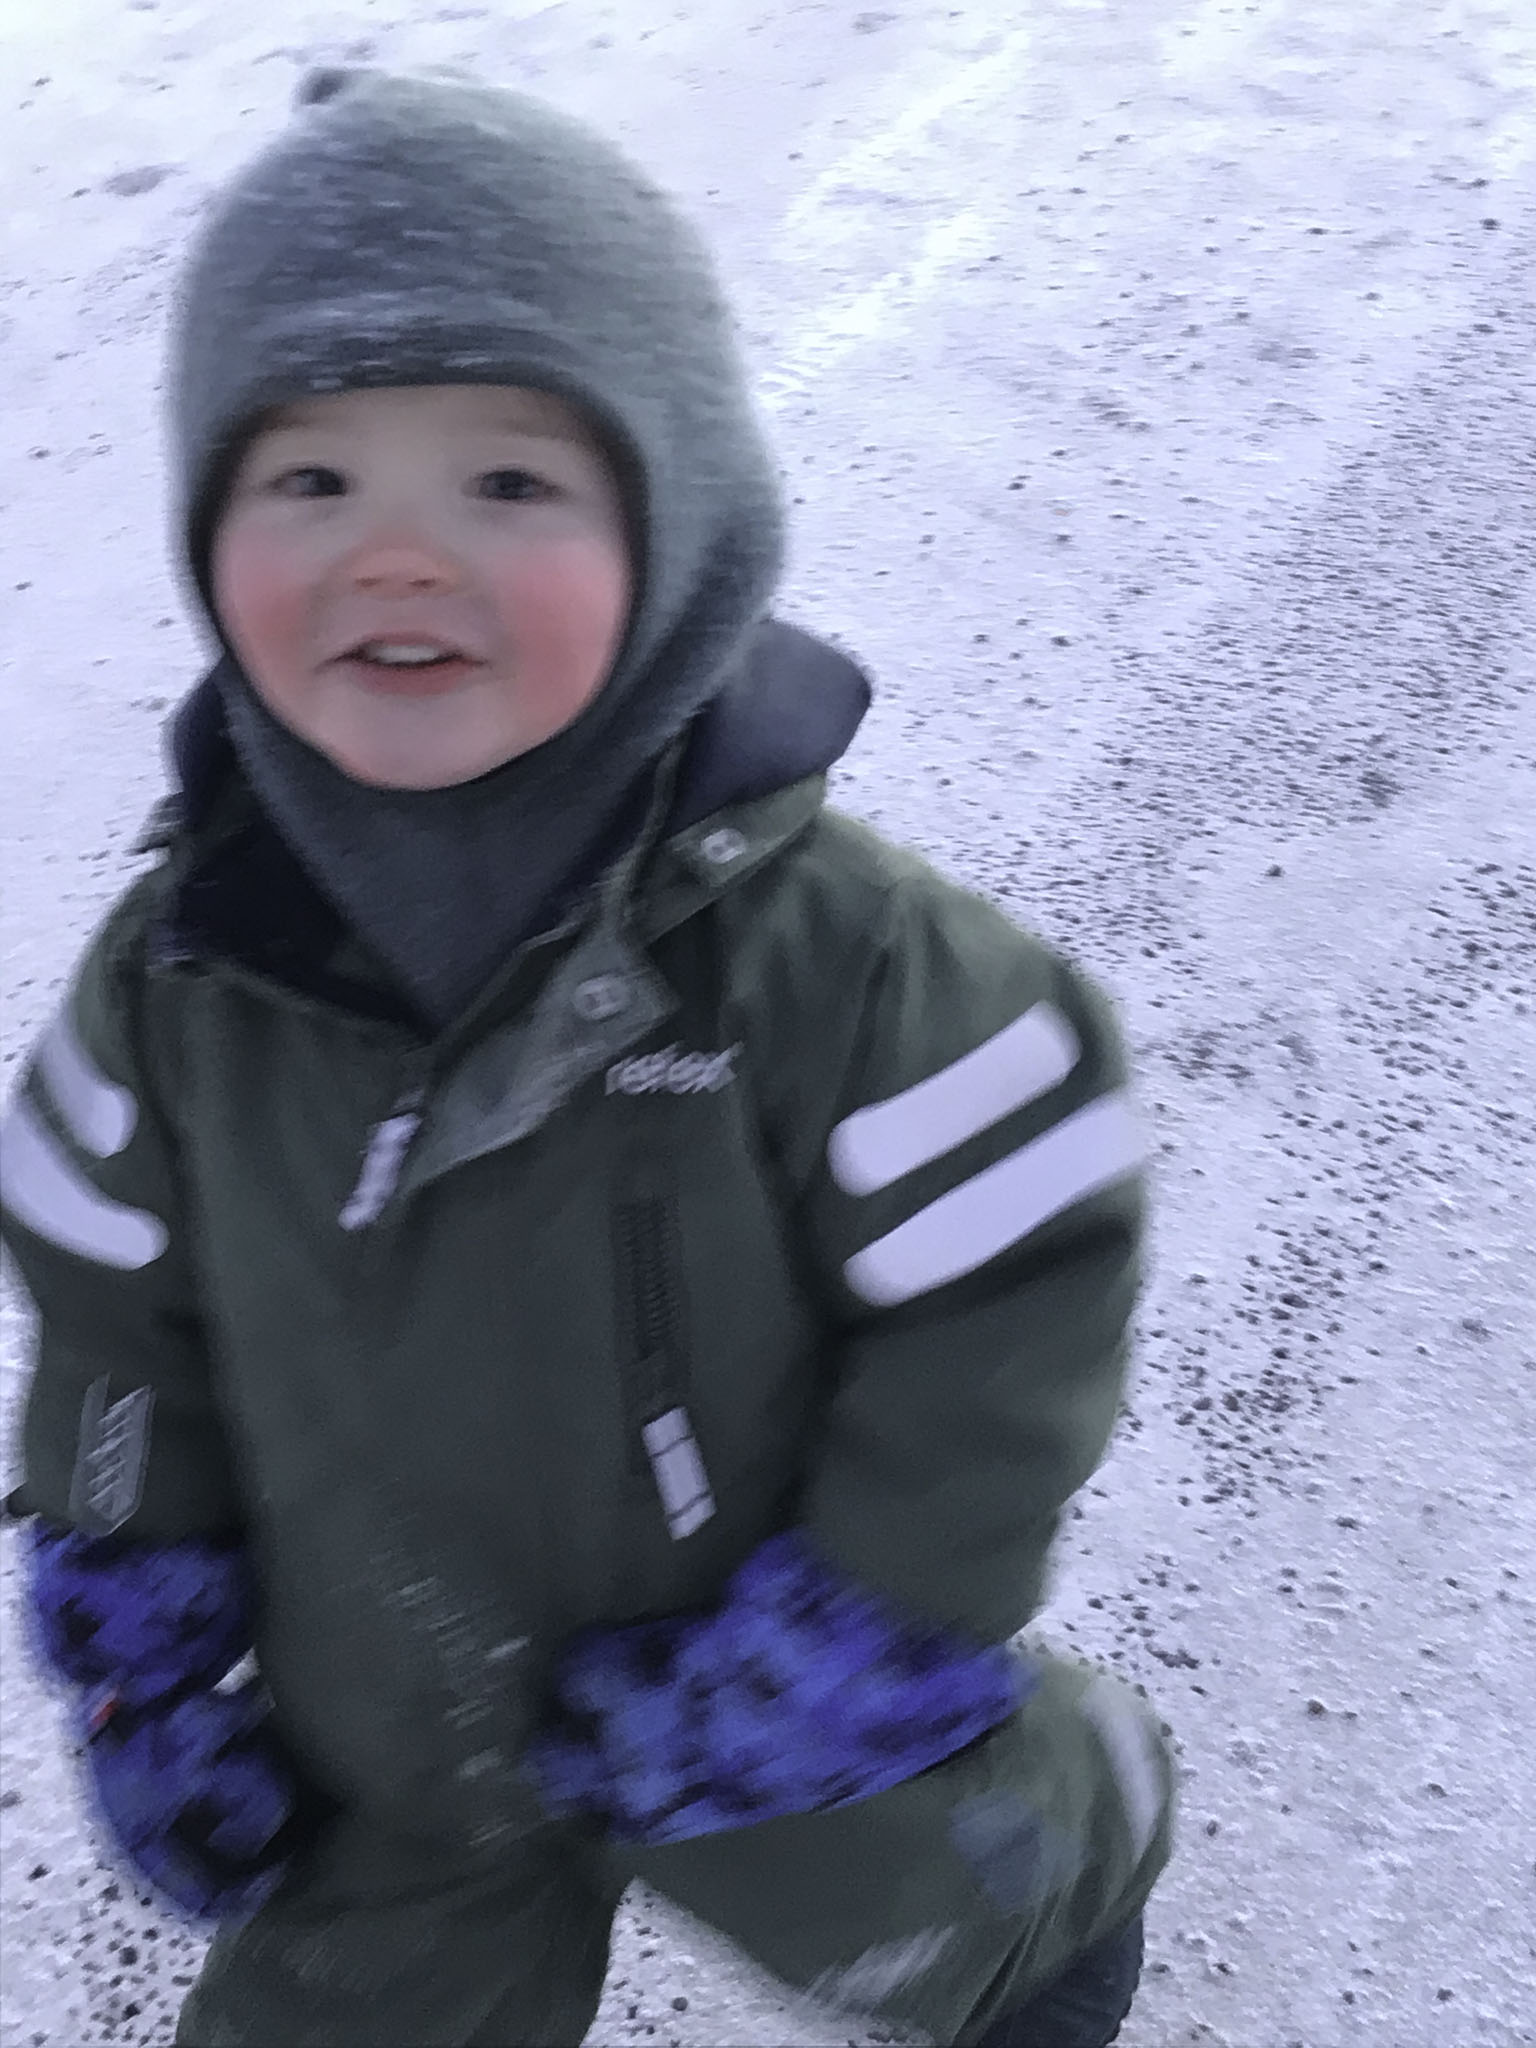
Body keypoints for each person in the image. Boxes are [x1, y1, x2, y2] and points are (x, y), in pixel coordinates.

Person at [0, 68, 1175, 2048]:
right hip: (380, 1710)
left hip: (764, 1665)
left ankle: (1061, 1867)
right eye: (312, 482)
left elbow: (1009, 1291)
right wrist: (141, 1640)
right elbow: (115, 1328)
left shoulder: (854, 968)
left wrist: (882, 1613)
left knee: (928, 1902)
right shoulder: (180, 982)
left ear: (675, 526)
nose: (396, 555)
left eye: (508, 485)